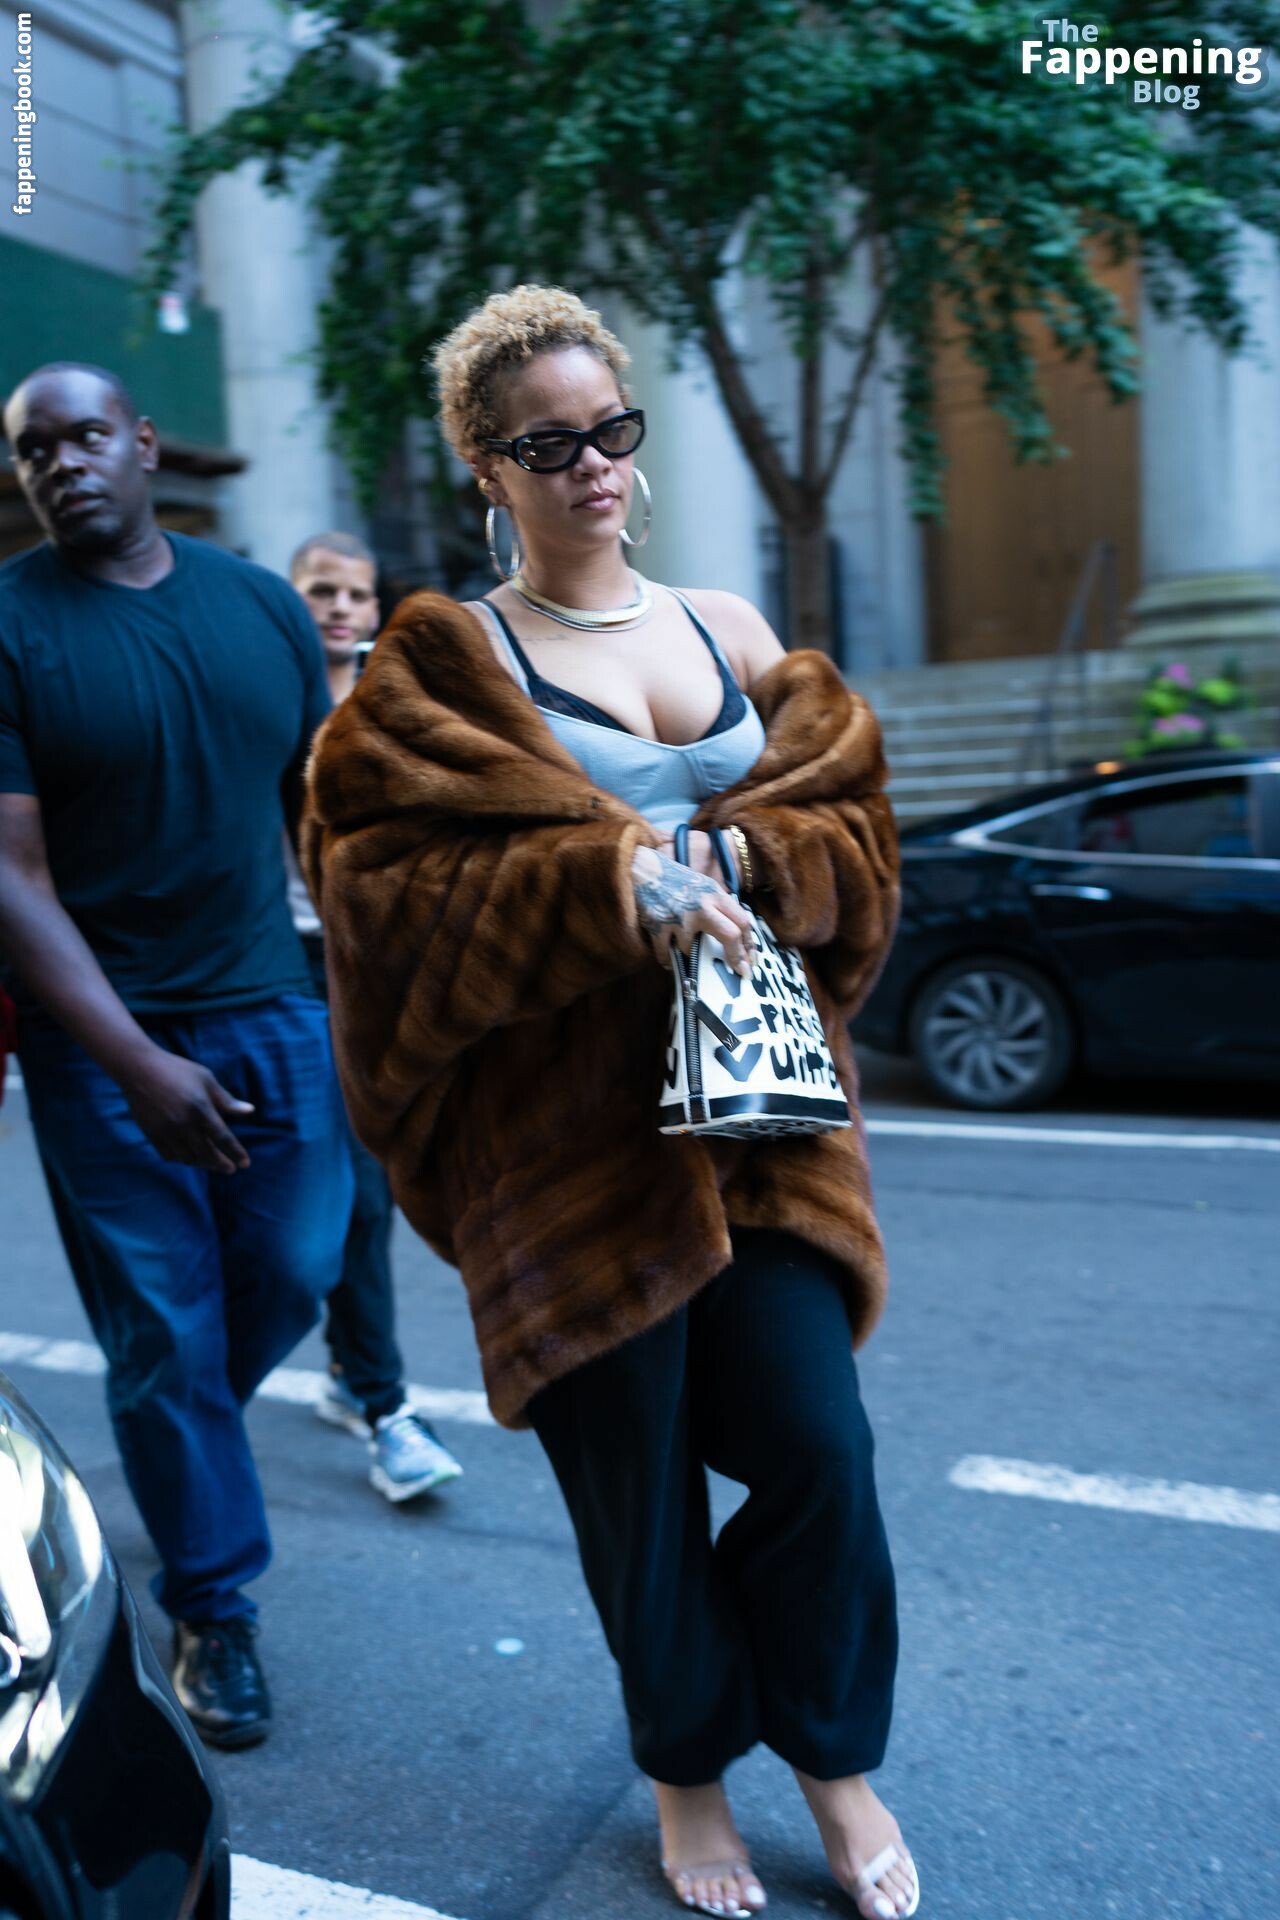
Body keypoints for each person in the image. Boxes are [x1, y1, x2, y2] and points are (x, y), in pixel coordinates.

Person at [303, 288, 915, 1920]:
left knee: (820, 1452)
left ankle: (836, 1762)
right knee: (636, 1498)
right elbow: (374, 894)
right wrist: (604, 886)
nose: (590, 463)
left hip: (764, 1132)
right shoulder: (445, 662)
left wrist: (756, 858)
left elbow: (858, 826)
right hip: (569, 1157)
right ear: (486, 468)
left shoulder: (725, 624)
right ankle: (687, 1776)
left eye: (610, 430)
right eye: (547, 444)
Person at [0, 363, 355, 1751]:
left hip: (272, 1005)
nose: (61, 463)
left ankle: (180, 1430)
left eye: (85, 435)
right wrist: (135, 1061)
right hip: (100, 1038)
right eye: (34, 450)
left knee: (298, 1270)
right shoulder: (11, 624)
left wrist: (361, 997)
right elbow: (12, 878)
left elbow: (318, 813)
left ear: (143, 444)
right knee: (163, 1327)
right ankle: (215, 1606)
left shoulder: (262, 605)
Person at [286, 530, 463, 1500]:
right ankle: (386, 1407)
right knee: (348, 1192)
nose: (341, 608)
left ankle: (348, 1372)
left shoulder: (392, 705)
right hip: (283, 965)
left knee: (375, 1188)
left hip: (379, 969)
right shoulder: (270, 698)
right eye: (321, 590)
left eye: (356, 593)